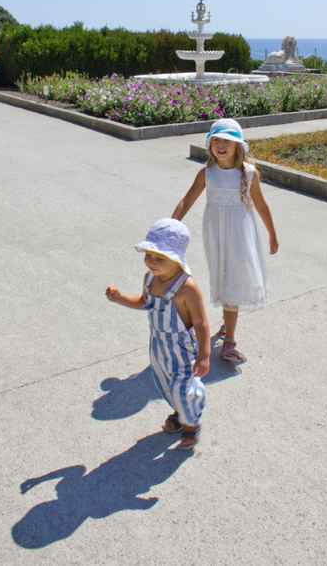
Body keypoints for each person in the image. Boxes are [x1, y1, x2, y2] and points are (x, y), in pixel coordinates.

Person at [172, 118, 279, 363]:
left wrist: (272, 233)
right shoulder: (207, 173)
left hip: (241, 235)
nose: (221, 145)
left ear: (238, 145)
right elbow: (186, 201)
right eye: (216, 140)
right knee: (222, 278)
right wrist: (172, 224)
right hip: (216, 235)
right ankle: (226, 326)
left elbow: (261, 204)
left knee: (233, 278)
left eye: (227, 141)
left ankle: (229, 340)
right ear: (210, 144)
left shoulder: (248, 173)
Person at [106, 218, 209, 449]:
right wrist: (121, 298)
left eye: (160, 258)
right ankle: (182, 412)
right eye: (148, 256)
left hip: (182, 347)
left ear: (177, 258)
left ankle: (192, 423)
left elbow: (201, 322)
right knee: (167, 384)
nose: (152, 262)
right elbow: (144, 302)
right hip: (158, 345)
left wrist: (204, 355)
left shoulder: (187, 287)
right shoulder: (150, 279)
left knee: (186, 386)